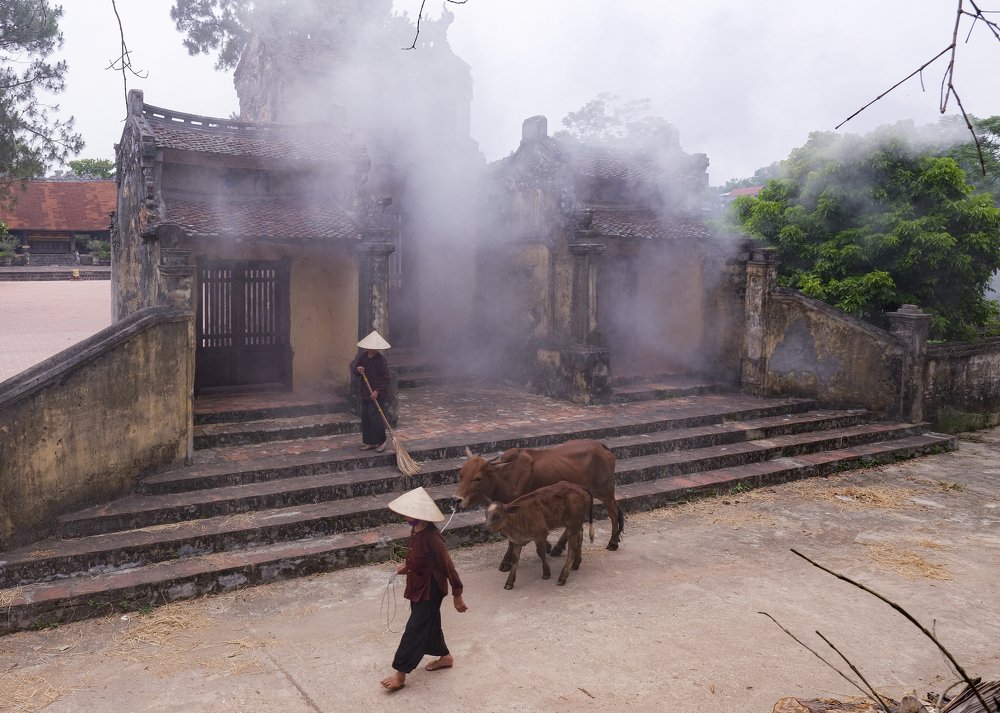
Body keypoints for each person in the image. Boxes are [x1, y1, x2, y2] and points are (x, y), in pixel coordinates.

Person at [380, 486, 469, 693]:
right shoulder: (416, 530)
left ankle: (400, 674)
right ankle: (445, 656)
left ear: (418, 515)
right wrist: (407, 566)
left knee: (415, 629)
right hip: (417, 585)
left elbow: (448, 566)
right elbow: (420, 557)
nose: (404, 516)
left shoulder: (432, 538)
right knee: (429, 624)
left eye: (407, 513)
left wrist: (458, 595)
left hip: (430, 590)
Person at [351, 330, 391, 452]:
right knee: (366, 417)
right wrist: (358, 370)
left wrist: (377, 391)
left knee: (375, 417)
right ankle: (370, 442)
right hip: (365, 392)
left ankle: (382, 441)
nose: (369, 349)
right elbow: (355, 371)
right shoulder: (363, 356)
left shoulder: (381, 360)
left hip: (377, 393)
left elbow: (386, 378)